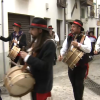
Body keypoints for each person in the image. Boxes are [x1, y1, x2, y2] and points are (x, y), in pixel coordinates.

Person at [20, 17, 56, 100]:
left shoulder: (49, 43)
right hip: (34, 82)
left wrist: (27, 57)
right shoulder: (35, 41)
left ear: (40, 30)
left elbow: (45, 66)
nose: (30, 32)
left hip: (42, 85)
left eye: (32, 29)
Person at [58, 19, 91, 100]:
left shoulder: (85, 38)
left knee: (79, 85)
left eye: (73, 27)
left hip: (81, 66)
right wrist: (61, 54)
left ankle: (79, 98)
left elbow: (89, 49)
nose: (71, 28)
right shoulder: (69, 37)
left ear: (79, 28)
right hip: (71, 66)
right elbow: (64, 47)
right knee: (74, 84)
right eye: (71, 26)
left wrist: (79, 45)